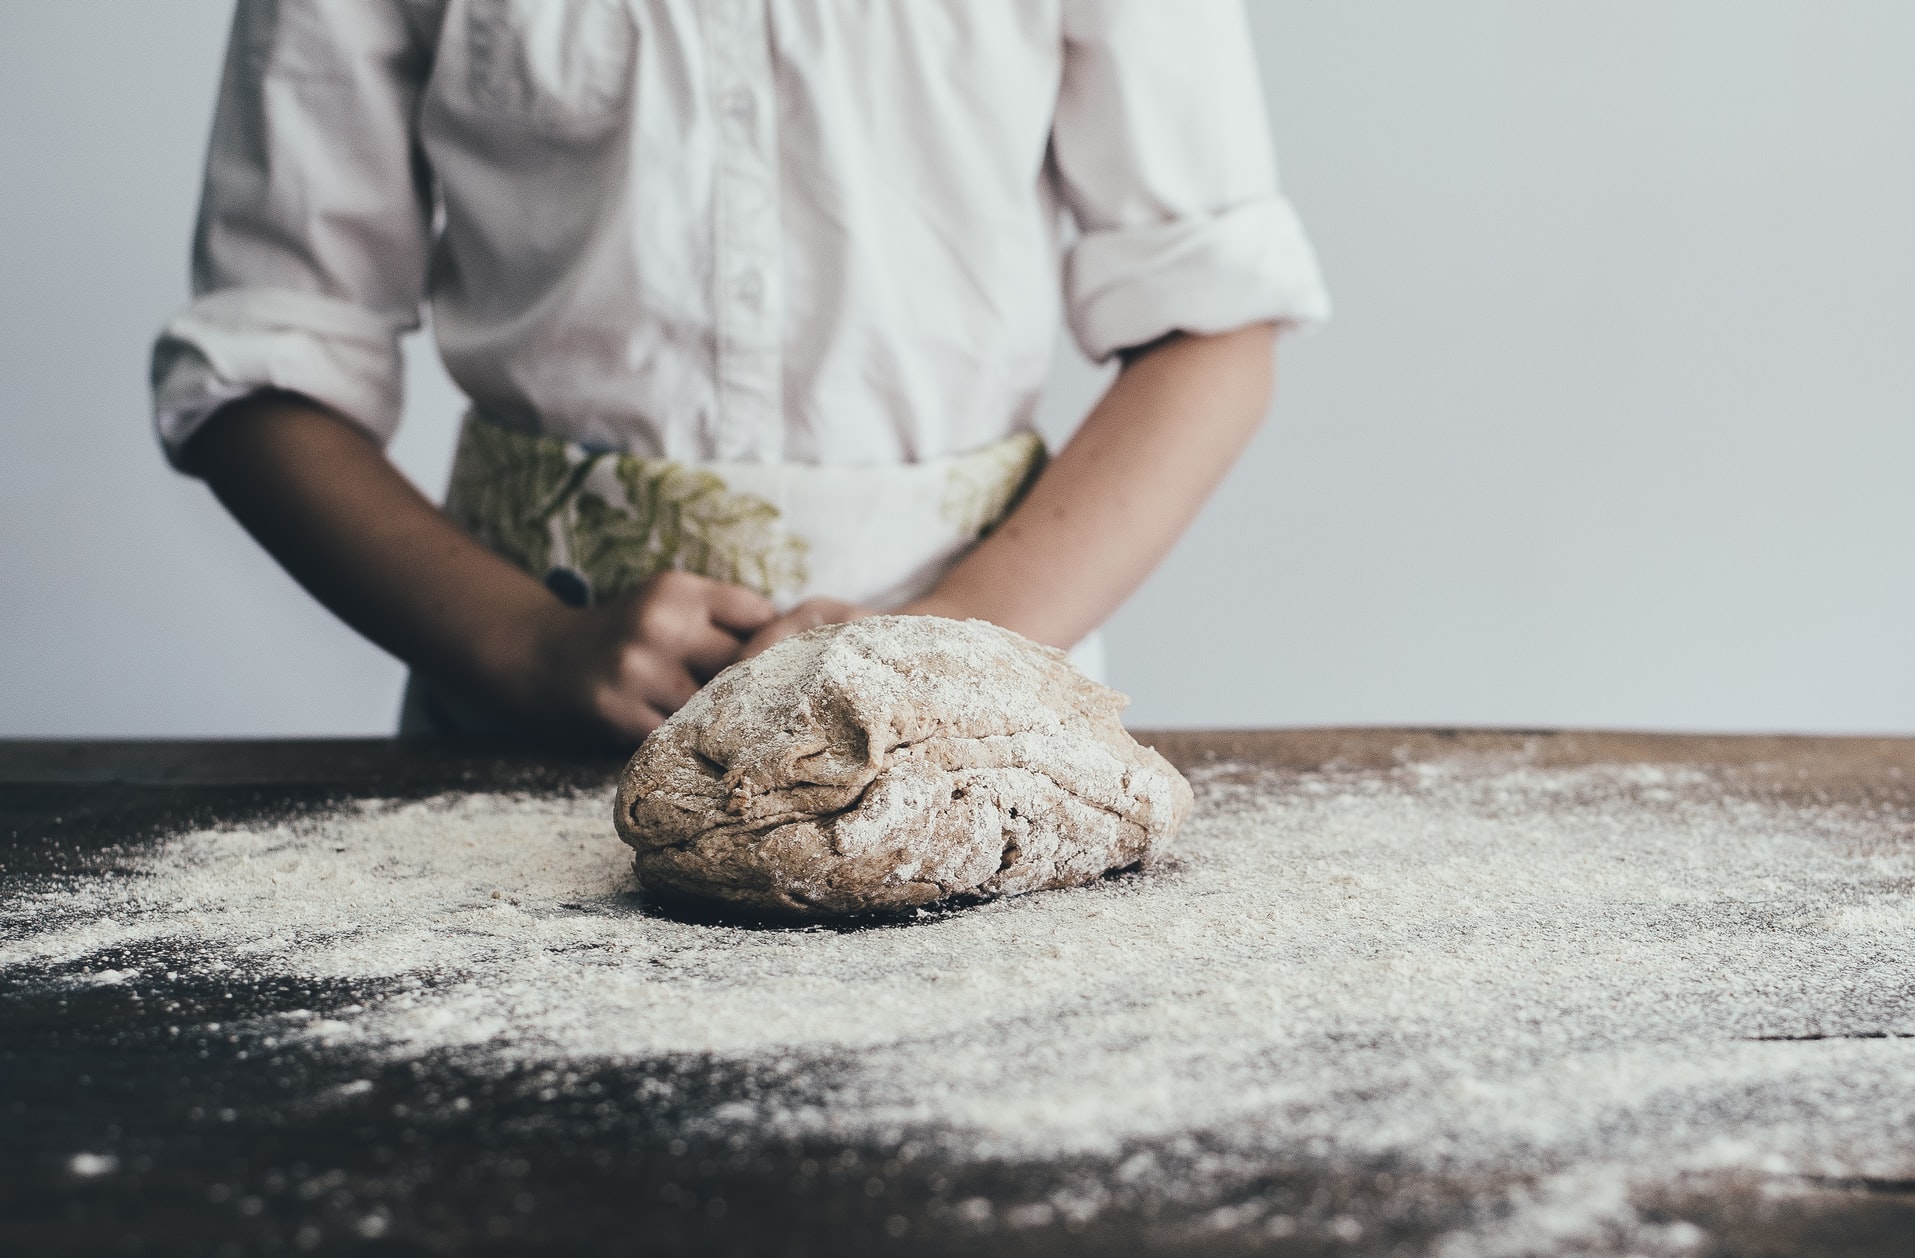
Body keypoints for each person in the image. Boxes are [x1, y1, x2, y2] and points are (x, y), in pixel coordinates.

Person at [154, 1, 1327, 745]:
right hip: (524, 732)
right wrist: (521, 646)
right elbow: (263, 366)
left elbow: (1211, 327)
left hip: (979, 725)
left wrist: (944, 648)